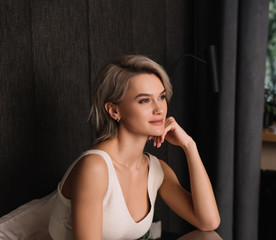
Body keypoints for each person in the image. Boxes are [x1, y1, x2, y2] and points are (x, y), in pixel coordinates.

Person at [48, 55, 220, 240]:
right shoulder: (95, 167)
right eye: (145, 100)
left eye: (161, 97)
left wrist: (189, 146)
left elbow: (208, 222)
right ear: (114, 111)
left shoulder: (155, 168)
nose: (160, 109)